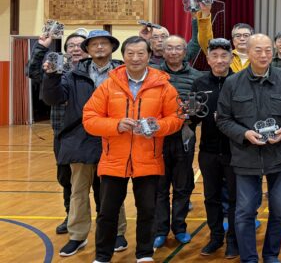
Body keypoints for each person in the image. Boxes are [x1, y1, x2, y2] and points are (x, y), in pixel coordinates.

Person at [82, 36, 183, 263]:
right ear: (123, 56)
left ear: (149, 56)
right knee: (107, 212)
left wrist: (158, 127)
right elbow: (89, 119)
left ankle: (144, 254)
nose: (135, 58)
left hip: (149, 159)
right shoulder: (109, 85)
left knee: (147, 210)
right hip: (113, 160)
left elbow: (176, 118)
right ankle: (102, 256)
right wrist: (116, 125)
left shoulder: (163, 86)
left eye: (140, 53)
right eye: (130, 53)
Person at [216, 34, 281, 263]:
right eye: (258, 50)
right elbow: (223, 119)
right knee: (245, 211)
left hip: (279, 156)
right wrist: (244, 134)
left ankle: (271, 255)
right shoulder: (232, 83)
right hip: (245, 157)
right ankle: (249, 258)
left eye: (268, 50)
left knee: (280, 210)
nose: (264, 55)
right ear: (247, 52)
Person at [41, 30, 128, 257]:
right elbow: (53, 98)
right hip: (80, 139)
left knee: (112, 191)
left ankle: (117, 232)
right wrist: (50, 77)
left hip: (113, 137)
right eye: (94, 44)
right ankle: (77, 236)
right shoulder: (72, 74)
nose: (99, 47)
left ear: (112, 47)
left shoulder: (123, 72)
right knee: (78, 191)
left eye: (104, 43)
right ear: (87, 49)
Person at [27, 30, 88, 235]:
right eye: (71, 45)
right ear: (65, 49)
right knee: (66, 178)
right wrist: (42, 47)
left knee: (100, 181)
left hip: (94, 134)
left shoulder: (94, 70)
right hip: (64, 135)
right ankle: (71, 216)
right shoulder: (57, 69)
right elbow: (32, 71)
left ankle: (104, 219)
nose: (75, 49)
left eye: (80, 45)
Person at [189, 38, 239, 258]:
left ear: (231, 58)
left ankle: (233, 241)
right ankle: (216, 237)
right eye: (215, 56)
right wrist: (188, 113)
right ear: (208, 59)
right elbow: (192, 119)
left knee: (235, 199)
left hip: (235, 151)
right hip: (208, 151)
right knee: (211, 197)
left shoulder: (239, 81)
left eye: (224, 56)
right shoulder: (199, 83)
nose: (220, 60)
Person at [153, 35, 204, 249]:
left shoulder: (198, 77)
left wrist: (194, 112)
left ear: (185, 52)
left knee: (183, 186)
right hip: (158, 138)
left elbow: (201, 108)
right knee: (160, 187)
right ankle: (160, 230)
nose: (173, 52)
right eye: (169, 48)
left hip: (185, 136)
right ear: (163, 51)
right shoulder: (153, 74)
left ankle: (180, 227)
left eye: (178, 48)